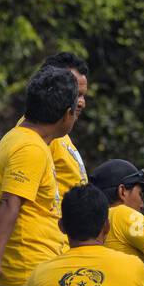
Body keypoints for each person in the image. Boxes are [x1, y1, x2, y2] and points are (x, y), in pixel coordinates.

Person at [0, 66, 78, 286]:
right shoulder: (31, 149)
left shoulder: (18, 136)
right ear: (67, 115)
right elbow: (10, 202)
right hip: (29, 273)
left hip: (34, 271)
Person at [42, 51, 89, 195]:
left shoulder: (59, 132)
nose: (82, 103)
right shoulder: (41, 135)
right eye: (76, 94)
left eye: (83, 95)